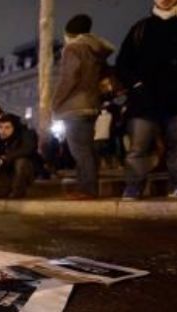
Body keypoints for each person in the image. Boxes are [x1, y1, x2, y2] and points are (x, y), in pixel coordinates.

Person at [115, 0, 177, 201]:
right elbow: (122, 63)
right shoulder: (140, 28)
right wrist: (137, 85)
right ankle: (133, 186)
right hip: (145, 101)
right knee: (138, 147)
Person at [52, 14, 114, 200]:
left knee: (80, 150)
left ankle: (88, 189)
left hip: (74, 106)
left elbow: (69, 78)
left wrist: (56, 101)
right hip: (91, 104)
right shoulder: (95, 50)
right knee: (87, 149)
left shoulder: (73, 49)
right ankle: (86, 187)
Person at [0, 113, 38, 199]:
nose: (3, 131)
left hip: (24, 172)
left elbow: (28, 149)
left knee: (21, 162)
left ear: (14, 128)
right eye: (1, 127)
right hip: (5, 170)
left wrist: (8, 157)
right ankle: (4, 190)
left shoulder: (26, 134)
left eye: (7, 127)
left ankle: (17, 191)